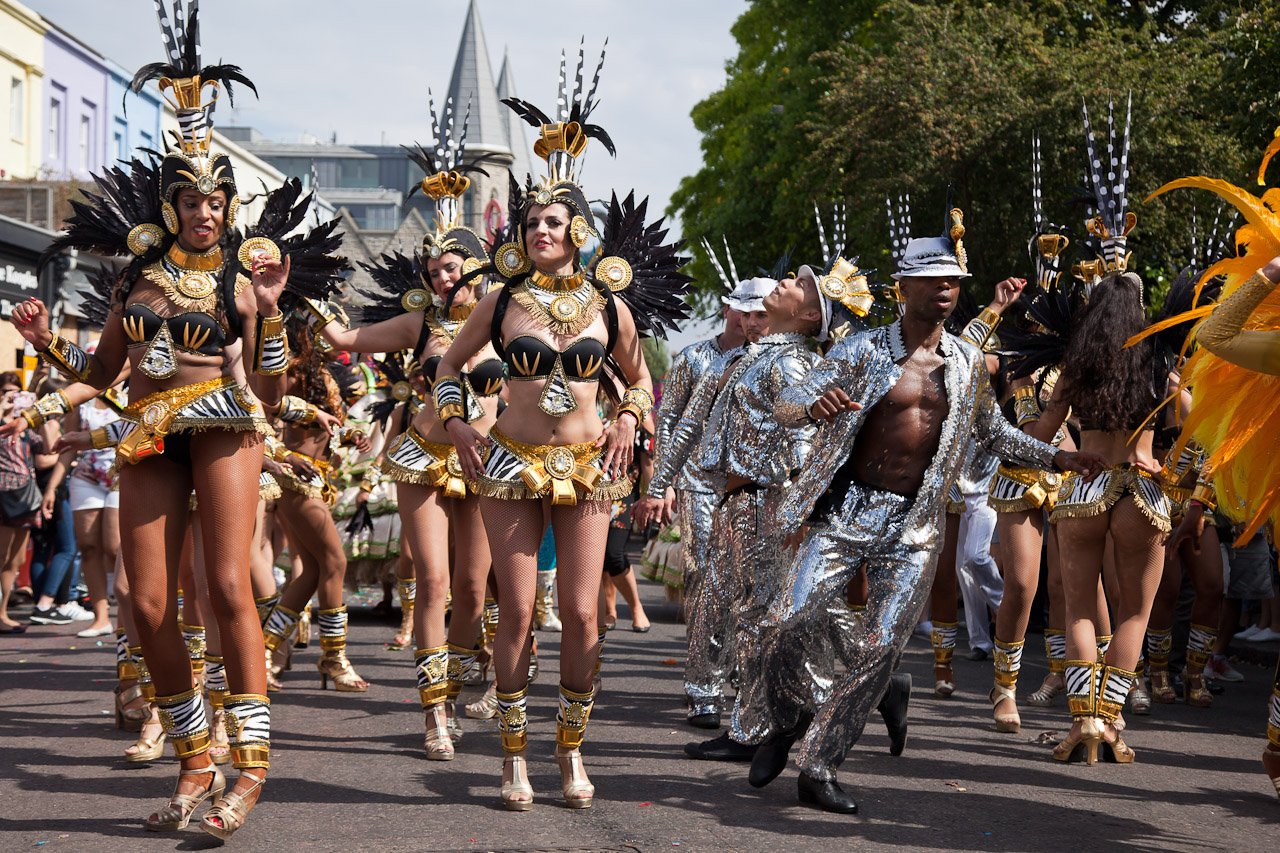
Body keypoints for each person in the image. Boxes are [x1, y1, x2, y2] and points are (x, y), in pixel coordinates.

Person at [8, 2, 345, 836]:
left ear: (230, 208)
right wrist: (37, 398)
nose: (206, 210)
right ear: (171, 204)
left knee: (227, 586)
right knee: (146, 603)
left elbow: (264, 396)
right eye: (193, 198)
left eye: (218, 199)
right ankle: (196, 753)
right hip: (150, 433)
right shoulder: (139, 284)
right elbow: (98, 379)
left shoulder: (240, 286)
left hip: (224, 428)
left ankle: (252, 766)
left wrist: (265, 316)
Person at [747, 208, 1104, 814]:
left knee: (882, 642)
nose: (945, 290)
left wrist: (1057, 459)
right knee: (786, 620)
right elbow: (789, 403)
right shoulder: (862, 349)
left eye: (954, 282)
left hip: (914, 524)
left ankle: (821, 765)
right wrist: (812, 406)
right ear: (903, 287)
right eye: (933, 280)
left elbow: (991, 434)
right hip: (845, 510)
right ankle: (788, 716)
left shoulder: (967, 364)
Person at [438, 46, 689, 810]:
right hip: (510, 462)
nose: (540, 229)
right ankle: (513, 757)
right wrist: (457, 426)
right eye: (532, 220)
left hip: (588, 466)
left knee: (581, 613)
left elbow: (642, 378)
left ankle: (569, 749)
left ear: (578, 229)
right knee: (514, 610)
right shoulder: (501, 298)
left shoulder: (610, 308)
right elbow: (449, 367)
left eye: (554, 220)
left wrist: (626, 414)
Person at [313, 95, 504, 757]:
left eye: (452, 267)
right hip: (422, 457)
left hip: (484, 463)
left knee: (475, 591)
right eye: (434, 268)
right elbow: (347, 333)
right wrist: (302, 291)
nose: (440, 275)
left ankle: (455, 683)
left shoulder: (509, 325)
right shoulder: (420, 323)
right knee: (434, 581)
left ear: (475, 268)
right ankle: (434, 717)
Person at [637, 257, 770, 730]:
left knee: (751, 585)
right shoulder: (695, 359)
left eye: (762, 314)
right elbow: (672, 420)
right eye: (746, 313)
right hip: (698, 481)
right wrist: (662, 483)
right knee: (709, 583)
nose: (753, 322)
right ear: (730, 312)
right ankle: (703, 688)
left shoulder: (776, 361)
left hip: (755, 487)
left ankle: (738, 674)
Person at [259, 312, 372, 692]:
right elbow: (269, 405)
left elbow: (335, 423)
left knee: (310, 571)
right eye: (321, 330)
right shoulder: (287, 367)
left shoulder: (319, 373)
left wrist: (353, 433)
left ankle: (264, 650)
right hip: (296, 475)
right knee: (335, 561)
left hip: (318, 476)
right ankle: (334, 656)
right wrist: (311, 413)